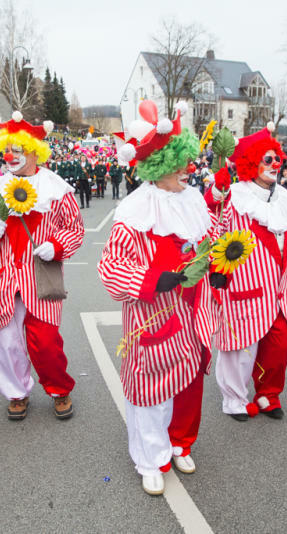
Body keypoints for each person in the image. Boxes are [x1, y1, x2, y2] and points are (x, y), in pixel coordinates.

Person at [98, 100, 217, 495]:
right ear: (159, 165)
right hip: (155, 319)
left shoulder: (195, 201)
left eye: (187, 160)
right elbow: (110, 270)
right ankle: (150, 457)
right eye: (179, 162)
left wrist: (219, 268)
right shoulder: (134, 212)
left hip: (195, 315)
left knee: (189, 385)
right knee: (150, 389)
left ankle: (181, 441)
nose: (188, 168)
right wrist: (154, 280)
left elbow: (214, 243)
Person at [0, 111, 84, 422]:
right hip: (4, 277)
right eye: (8, 149)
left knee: (45, 341)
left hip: (40, 278)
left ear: (34, 152)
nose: (10, 156)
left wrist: (56, 245)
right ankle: (16, 393)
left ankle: (59, 388)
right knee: (6, 341)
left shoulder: (56, 188)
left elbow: (74, 228)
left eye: (18, 150)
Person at [204, 123, 287, 422]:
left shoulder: (286, 199)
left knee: (279, 345)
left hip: (279, 290)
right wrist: (216, 272)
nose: (275, 165)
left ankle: (268, 394)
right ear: (252, 162)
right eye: (267, 160)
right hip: (243, 288)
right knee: (239, 349)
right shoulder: (234, 197)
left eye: (277, 159)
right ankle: (235, 399)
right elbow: (212, 227)